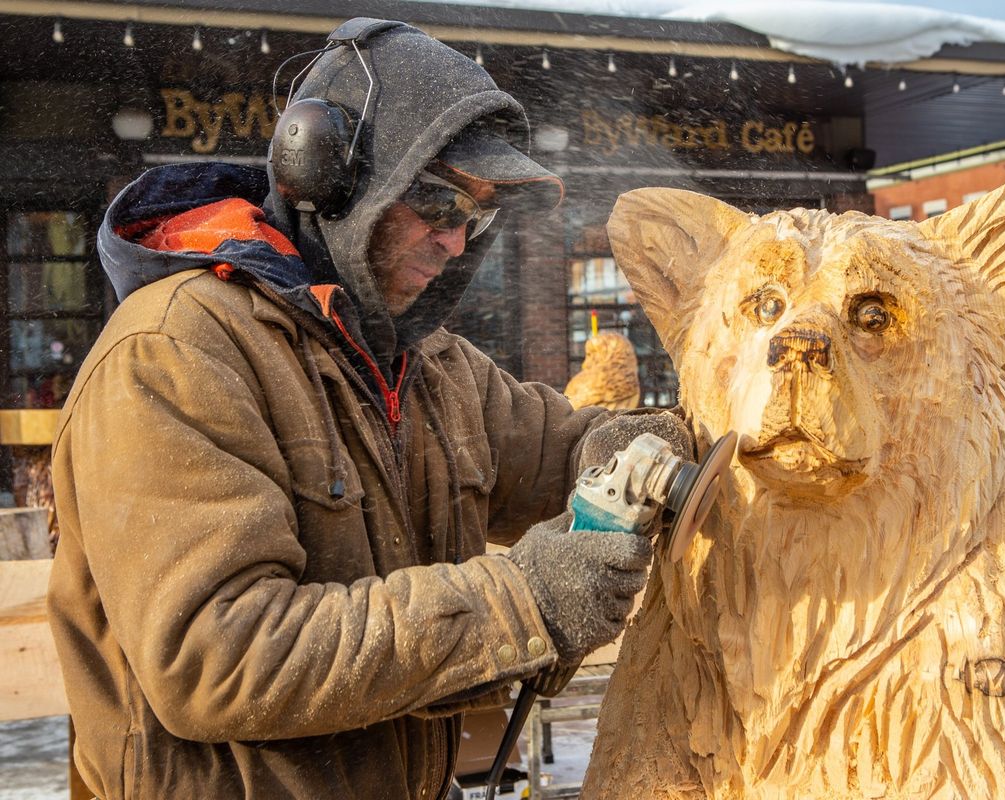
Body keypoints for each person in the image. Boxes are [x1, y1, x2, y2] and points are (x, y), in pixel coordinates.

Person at [47, 19, 690, 800]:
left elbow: (562, 453)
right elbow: (218, 656)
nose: (454, 242)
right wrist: (526, 603)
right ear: (326, 174)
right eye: (436, 201)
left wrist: (646, 444)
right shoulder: (176, 351)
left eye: (476, 217)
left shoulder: (425, 361)